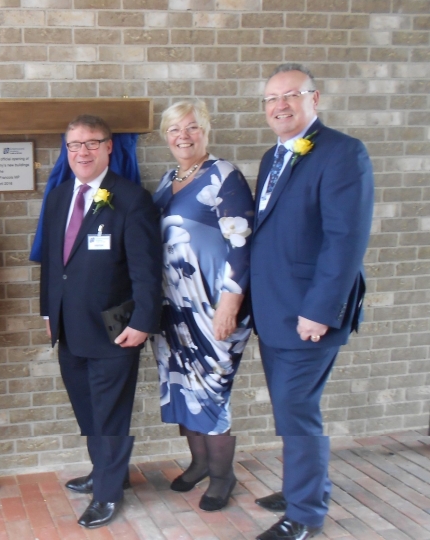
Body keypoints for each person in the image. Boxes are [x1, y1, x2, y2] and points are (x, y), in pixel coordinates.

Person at [250, 64, 374, 540]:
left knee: (297, 408)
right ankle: (301, 484)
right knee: (289, 409)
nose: (279, 105)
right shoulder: (271, 156)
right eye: (271, 99)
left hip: (308, 314)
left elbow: (346, 241)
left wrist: (320, 311)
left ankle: (304, 514)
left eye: (290, 95)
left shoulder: (343, 153)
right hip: (273, 309)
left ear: (314, 99)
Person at [40, 115, 161, 529]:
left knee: (110, 414)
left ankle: (108, 493)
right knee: (88, 411)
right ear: (66, 150)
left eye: (92, 143)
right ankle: (105, 470)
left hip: (116, 328)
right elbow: (54, 267)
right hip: (69, 328)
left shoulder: (131, 199)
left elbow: (147, 269)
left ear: (109, 147)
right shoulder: (58, 198)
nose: (82, 152)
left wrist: (144, 321)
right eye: (74, 145)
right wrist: (46, 312)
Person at [150, 100, 254, 512]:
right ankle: (198, 463)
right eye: (175, 129)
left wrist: (230, 302)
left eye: (192, 127)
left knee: (212, 389)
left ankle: (223, 474)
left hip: (214, 306)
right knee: (182, 386)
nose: (184, 136)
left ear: (206, 131)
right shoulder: (166, 179)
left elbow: (242, 242)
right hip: (173, 309)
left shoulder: (224, 176)